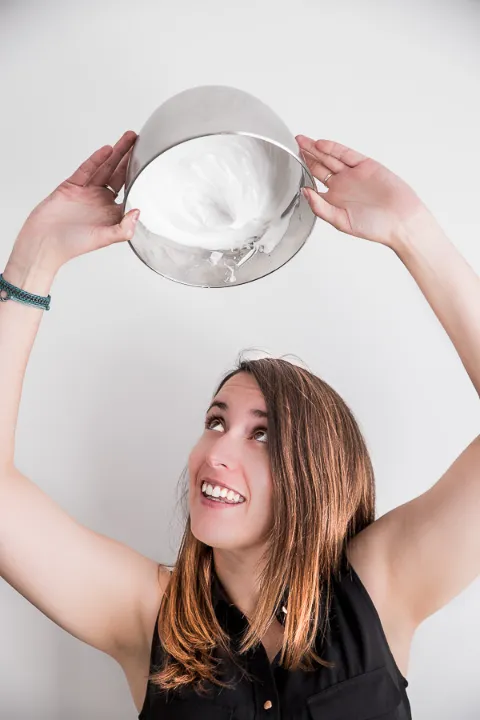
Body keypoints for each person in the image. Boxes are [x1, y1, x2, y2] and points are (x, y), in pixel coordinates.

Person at [0, 130, 479, 720]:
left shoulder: (381, 586)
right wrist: (35, 257)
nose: (215, 451)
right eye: (215, 421)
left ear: (317, 471)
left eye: (262, 434)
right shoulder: (146, 613)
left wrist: (413, 232)